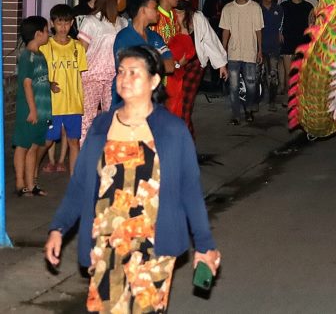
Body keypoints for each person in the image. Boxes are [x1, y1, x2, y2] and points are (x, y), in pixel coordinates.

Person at [45, 45, 221, 311]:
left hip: (154, 245)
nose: (124, 79)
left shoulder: (172, 130)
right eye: (121, 72)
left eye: (134, 73)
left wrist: (205, 244)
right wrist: (58, 228)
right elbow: (81, 185)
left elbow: (190, 191)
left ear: (154, 81)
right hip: (105, 243)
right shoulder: (101, 126)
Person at [39, 4, 88, 175]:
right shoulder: (45, 47)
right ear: (52, 23)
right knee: (47, 141)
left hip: (73, 103)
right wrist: (49, 84)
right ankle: (33, 172)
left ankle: (74, 177)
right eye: (59, 23)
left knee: (74, 141)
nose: (63, 27)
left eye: (67, 23)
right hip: (53, 105)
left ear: (72, 23)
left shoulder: (78, 47)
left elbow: (81, 74)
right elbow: (39, 75)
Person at [77, 0, 128, 142]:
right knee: (86, 121)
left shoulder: (123, 23)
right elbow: (80, 51)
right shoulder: (91, 21)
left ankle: (108, 157)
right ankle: (85, 159)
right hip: (90, 77)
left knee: (113, 118)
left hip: (113, 78)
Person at [113, 0, 175, 106]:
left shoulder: (155, 37)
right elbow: (128, 71)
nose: (157, 12)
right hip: (129, 100)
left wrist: (144, 64)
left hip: (154, 100)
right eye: (154, 8)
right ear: (143, 10)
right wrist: (157, 62)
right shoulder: (124, 37)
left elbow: (170, 66)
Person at [13, 16, 52, 197]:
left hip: (41, 110)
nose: (48, 34)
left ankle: (31, 184)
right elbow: (27, 84)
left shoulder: (40, 55)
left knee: (35, 147)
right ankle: (20, 184)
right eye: (46, 30)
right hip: (30, 110)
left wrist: (49, 85)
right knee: (23, 146)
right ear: (38, 34)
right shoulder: (27, 57)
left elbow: (38, 80)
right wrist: (33, 109)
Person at [221, 0, 264, 125]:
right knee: (233, 86)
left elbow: (259, 30)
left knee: (251, 85)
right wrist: (223, 50)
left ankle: (249, 109)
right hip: (233, 52)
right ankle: (235, 114)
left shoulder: (255, 7)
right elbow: (225, 31)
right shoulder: (228, 8)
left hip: (250, 51)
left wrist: (260, 50)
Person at [176, 0, 229, 90]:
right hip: (174, 64)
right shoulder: (166, 17)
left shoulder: (197, 17)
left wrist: (221, 64)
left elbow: (210, 39)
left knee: (187, 101)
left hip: (194, 63)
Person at [166, 0, 199, 135]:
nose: (176, 14)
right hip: (171, 74)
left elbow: (189, 54)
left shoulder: (190, 27)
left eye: (179, 12)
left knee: (182, 109)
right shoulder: (167, 25)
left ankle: (185, 145)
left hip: (182, 72)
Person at [280, 0, 315, 105]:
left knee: (300, 72)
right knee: (288, 72)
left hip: (303, 41)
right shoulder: (284, 6)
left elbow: (312, 24)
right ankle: (287, 95)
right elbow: (279, 23)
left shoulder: (308, 6)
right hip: (288, 40)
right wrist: (279, 33)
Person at [258, 0, 284, 111]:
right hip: (259, 47)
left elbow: (281, 25)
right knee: (259, 74)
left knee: (273, 74)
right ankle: (259, 99)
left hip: (273, 46)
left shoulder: (278, 9)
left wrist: (280, 32)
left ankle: (272, 101)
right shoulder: (256, 9)